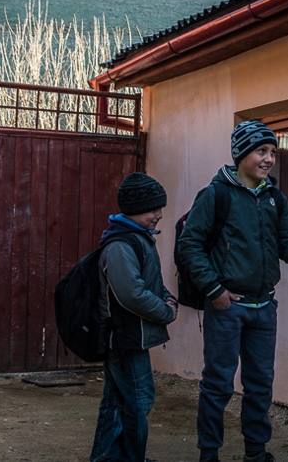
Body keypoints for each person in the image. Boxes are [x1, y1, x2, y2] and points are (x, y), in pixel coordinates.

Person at [178, 120, 288, 462]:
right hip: (227, 307)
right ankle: (209, 454)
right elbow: (190, 245)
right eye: (261, 151)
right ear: (241, 153)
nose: (269, 159)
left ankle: (256, 452)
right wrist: (215, 290)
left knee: (260, 385)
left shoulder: (275, 198)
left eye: (273, 152)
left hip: (264, 309)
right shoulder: (215, 195)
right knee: (217, 384)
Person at [90, 172, 178, 462]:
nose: (159, 215)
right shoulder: (121, 245)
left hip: (130, 336)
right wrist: (166, 311)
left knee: (117, 400)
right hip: (126, 338)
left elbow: (148, 282)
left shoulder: (136, 239)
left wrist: (167, 295)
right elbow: (131, 294)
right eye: (154, 209)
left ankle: (108, 457)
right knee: (139, 400)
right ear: (137, 208)